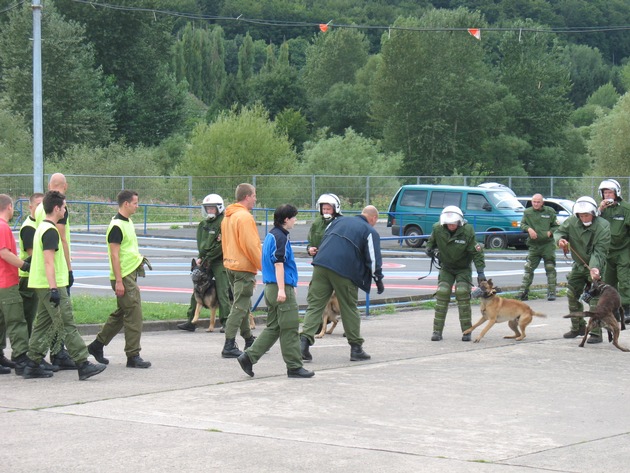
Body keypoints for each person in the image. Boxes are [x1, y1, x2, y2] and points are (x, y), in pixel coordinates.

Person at [19, 190, 106, 380]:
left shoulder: (42, 227)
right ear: (57, 208)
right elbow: (49, 262)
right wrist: (53, 289)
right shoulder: (50, 231)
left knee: (43, 323)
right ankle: (83, 363)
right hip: (52, 284)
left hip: (42, 284)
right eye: (65, 207)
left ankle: (33, 362)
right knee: (66, 323)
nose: (66, 210)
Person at [237, 204, 314, 378]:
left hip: (270, 288)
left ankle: (248, 357)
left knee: (274, 327)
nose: (295, 220)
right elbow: (279, 263)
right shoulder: (281, 238)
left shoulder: (271, 236)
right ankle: (294, 366)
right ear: (286, 219)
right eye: (294, 217)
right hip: (279, 287)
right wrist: (283, 289)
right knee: (290, 328)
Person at [300, 206, 384, 362]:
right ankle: (356, 349)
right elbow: (373, 259)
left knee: (315, 306)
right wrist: (378, 279)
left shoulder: (338, 221)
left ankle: (303, 345)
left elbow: (325, 238)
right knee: (348, 307)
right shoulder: (369, 231)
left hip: (321, 265)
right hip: (345, 270)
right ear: (373, 218)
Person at [87, 190, 152, 368]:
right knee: (134, 314)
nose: (137, 206)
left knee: (122, 313)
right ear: (126, 204)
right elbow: (114, 255)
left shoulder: (128, 222)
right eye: (135, 203)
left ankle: (97, 345)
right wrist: (119, 281)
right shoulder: (116, 226)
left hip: (129, 274)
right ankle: (133, 355)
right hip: (123, 276)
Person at [425, 206, 486, 342]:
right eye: (448, 223)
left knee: (462, 292)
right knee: (442, 292)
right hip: (446, 267)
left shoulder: (467, 231)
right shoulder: (437, 228)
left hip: (463, 268)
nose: (451, 226)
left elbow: (477, 252)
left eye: (453, 223)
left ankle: (466, 331)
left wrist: (480, 272)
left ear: (459, 222)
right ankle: (437, 331)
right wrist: (429, 249)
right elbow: (431, 243)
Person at [555, 196, 610, 343]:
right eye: (581, 215)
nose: (584, 218)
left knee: (595, 299)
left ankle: (596, 333)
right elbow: (559, 231)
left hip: (596, 265)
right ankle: (577, 327)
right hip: (578, 265)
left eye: (586, 215)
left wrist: (594, 268)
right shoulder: (572, 222)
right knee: (571, 294)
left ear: (594, 213)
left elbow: (599, 251)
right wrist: (560, 240)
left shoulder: (603, 226)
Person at [35, 173, 75, 369]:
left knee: (46, 317)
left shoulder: (42, 206)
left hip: (42, 271)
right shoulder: (60, 208)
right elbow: (62, 238)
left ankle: (38, 357)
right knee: (61, 315)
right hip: (56, 271)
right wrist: (69, 268)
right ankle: (59, 352)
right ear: (65, 186)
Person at [178, 194, 231, 332]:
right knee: (197, 289)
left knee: (222, 290)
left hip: (219, 261)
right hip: (205, 261)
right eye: (207, 208)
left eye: (212, 208)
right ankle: (191, 321)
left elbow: (222, 245)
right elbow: (201, 243)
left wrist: (207, 256)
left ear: (218, 208)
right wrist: (201, 257)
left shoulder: (224, 223)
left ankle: (226, 322)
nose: (209, 211)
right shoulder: (203, 224)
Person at [220, 183, 261, 358]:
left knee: (242, 304)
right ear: (247, 196)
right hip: (243, 267)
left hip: (230, 264)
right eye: (254, 196)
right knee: (239, 306)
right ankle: (229, 344)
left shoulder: (228, 216)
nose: (255, 199)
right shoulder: (244, 217)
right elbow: (251, 245)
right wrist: (263, 266)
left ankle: (248, 338)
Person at [0, 195, 32, 374]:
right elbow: (4, 253)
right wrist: (25, 265)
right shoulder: (3, 226)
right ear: (9, 207)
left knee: (1, 322)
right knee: (16, 321)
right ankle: (21, 358)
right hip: (6, 281)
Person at [597, 179, 630, 324]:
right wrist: (600, 209)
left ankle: (627, 308)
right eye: (605, 193)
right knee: (608, 282)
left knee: (624, 280)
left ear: (616, 193)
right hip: (607, 251)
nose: (607, 195)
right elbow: (591, 222)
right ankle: (613, 309)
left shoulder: (625, 209)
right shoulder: (601, 210)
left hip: (623, 249)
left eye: (610, 192)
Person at [517, 194, 559, 301]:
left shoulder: (550, 211)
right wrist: (529, 229)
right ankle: (523, 292)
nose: (536, 204)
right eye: (534, 202)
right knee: (529, 268)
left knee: (550, 268)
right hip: (534, 245)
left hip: (547, 245)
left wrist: (550, 232)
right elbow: (522, 224)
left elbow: (557, 225)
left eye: (538, 202)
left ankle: (551, 292)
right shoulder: (527, 212)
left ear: (542, 202)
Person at [18, 192, 44, 335]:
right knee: (27, 316)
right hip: (28, 277)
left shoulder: (39, 224)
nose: (41, 209)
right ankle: (24, 350)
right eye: (38, 205)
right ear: (30, 207)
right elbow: (34, 255)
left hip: (35, 276)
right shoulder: (29, 227)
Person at [306, 193, 342, 258]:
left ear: (335, 209)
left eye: (328, 209)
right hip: (319, 260)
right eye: (324, 209)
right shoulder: (317, 223)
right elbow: (311, 241)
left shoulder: (341, 223)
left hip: (335, 260)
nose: (325, 211)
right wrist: (310, 249)